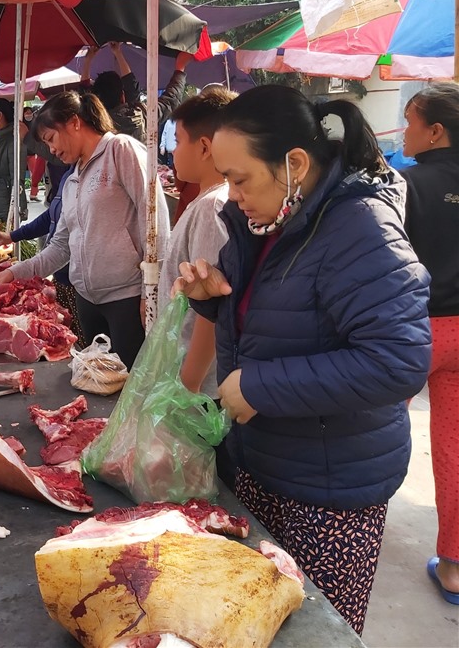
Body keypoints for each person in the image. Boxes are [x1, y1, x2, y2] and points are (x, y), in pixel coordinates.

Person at [172, 85, 431, 632]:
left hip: (330, 487)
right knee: (255, 623)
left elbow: (398, 360)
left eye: (240, 179)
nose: (231, 193)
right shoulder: (263, 222)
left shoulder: (360, 229)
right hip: (263, 461)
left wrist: (260, 386)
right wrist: (212, 302)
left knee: (312, 631)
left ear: (294, 163)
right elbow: (282, 321)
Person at [0, 91, 169, 367]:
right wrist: (14, 272)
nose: (51, 149)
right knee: (100, 389)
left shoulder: (120, 150)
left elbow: (155, 220)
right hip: (87, 302)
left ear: (74, 122)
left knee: (132, 390)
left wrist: (151, 291)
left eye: (51, 138)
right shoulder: (72, 178)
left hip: (127, 300)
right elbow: (60, 247)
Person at [399, 82, 459, 605]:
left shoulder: (405, 184)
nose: (403, 130)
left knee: (370, 428)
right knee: (453, 445)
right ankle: (455, 567)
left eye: (410, 120)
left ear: (434, 130)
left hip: (415, 330)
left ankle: (355, 528)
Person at [157, 88, 236, 396]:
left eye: (177, 141)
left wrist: (188, 385)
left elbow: (212, 305)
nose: (173, 151)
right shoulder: (209, 200)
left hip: (198, 388)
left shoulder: (212, 207)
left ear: (204, 147)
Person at [0, 169, 82, 339]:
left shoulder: (119, 154)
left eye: (51, 140)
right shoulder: (68, 177)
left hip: (81, 284)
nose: (52, 149)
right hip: (62, 277)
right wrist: (13, 236)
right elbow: (51, 216)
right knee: (68, 341)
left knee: (87, 345)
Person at [83, 42, 192, 145]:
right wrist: (180, 68)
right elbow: (170, 101)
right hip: (143, 165)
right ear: (122, 96)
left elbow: (85, 100)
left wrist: (87, 61)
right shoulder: (140, 115)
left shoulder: (94, 125)